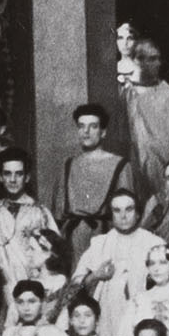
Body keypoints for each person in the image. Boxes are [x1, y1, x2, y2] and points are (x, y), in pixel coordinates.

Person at [54, 105, 133, 264]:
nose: (86, 131)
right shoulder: (69, 164)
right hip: (73, 240)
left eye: (93, 126)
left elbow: (128, 210)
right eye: (81, 126)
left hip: (106, 237)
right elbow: (58, 211)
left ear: (103, 132)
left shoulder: (120, 164)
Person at [0, 153, 57, 312]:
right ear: (1, 177)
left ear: (27, 177)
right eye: (7, 174)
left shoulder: (40, 212)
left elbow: (55, 255)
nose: (13, 179)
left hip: (32, 286)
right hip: (3, 288)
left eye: (19, 174)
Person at [119, 39, 169, 186]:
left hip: (167, 162)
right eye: (152, 59)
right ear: (138, 60)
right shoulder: (126, 93)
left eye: (158, 58)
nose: (158, 63)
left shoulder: (166, 90)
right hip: (137, 162)